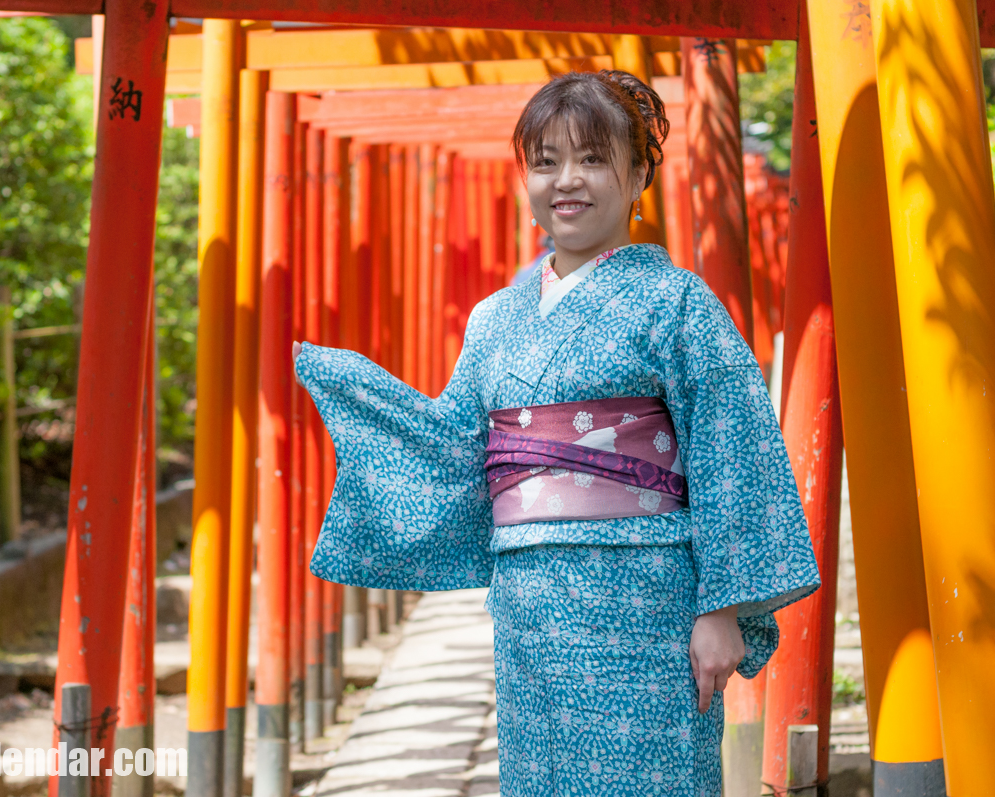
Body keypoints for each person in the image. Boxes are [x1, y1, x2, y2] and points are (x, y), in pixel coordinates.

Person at [292, 70, 819, 795]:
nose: (566, 181)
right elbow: (459, 453)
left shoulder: (676, 303)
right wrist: (361, 395)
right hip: (529, 610)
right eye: (545, 162)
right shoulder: (493, 319)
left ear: (638, 174)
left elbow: (732, 452)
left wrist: (721, 608)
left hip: (645, 604)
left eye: (593, 159)